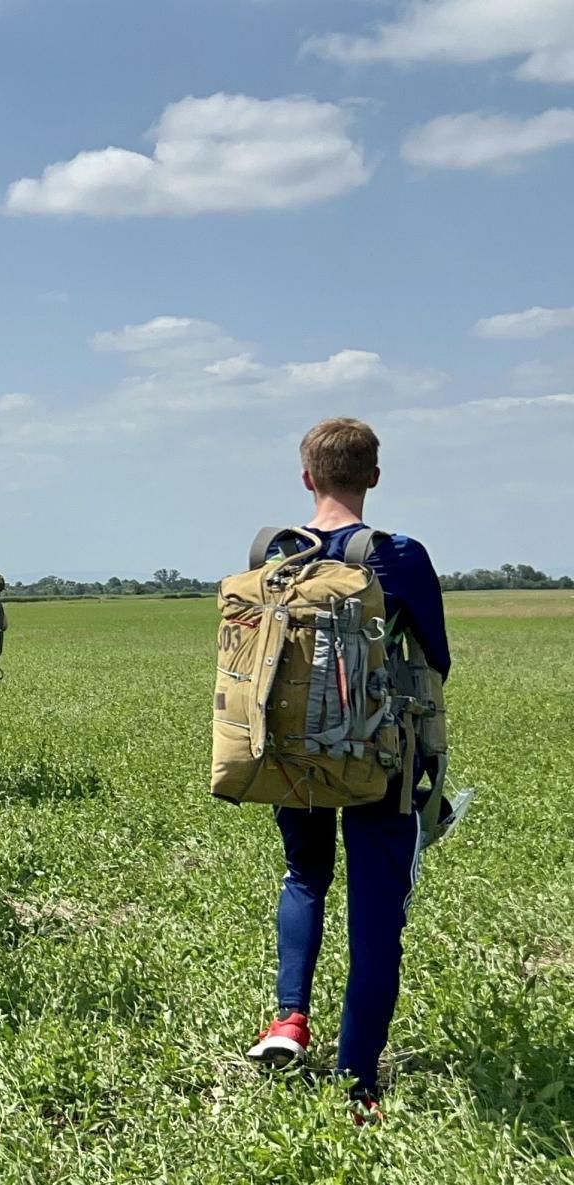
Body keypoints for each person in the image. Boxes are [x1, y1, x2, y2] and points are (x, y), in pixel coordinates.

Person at [243, 418, 452, 1120]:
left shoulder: (274, 554)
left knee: (304, 874)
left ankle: (289, 1018)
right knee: (374, 913)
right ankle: (359, 1084)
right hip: (379, 757)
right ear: (374, 475)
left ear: (307, 477)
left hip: (293, 753)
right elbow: (436, 662)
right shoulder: (400, 556)